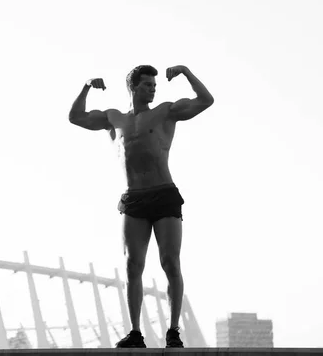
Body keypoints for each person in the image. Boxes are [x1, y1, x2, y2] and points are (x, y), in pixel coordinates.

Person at [68, 65, 214, 348]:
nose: (153, 88)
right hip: (134, 197)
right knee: (133, 266)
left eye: (154, 85)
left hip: (164, 194)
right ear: (133, 88)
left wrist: (185, 72)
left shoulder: (165, 112)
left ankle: (173, 331)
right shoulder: (114, 118)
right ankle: (135, 332)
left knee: (170, 262)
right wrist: (86, 85)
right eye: (147, 84)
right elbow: (76, 117)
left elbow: (205, 101)